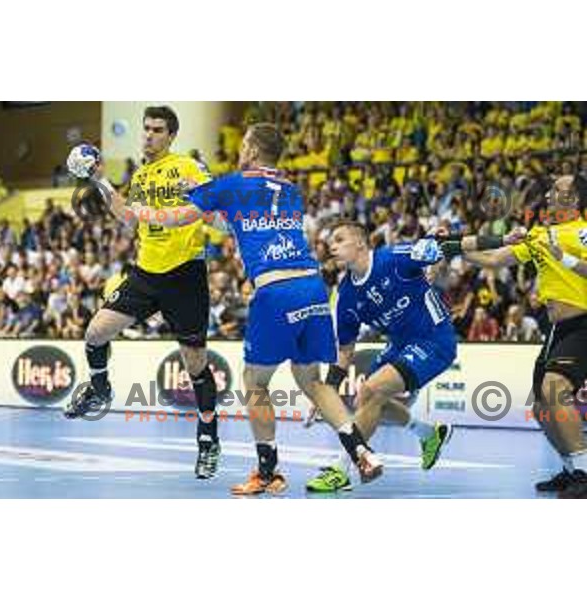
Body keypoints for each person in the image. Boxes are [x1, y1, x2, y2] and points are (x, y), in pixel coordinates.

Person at [132, 122, 383, 495]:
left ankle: (268, 472)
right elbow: (231, 220)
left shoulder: (232, 183)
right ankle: (361, 449)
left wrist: (140, 211)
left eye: (243, 145)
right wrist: (203, 197)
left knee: (254, 382)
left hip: (275, 290)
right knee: (311, 381)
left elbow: (180, 217)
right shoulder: (290, 190)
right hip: (312, 288)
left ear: (249, 150)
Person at [305, 221, 526, 492]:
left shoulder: (394, 257)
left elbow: (449, 245)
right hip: (399, 344)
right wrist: (327, 391)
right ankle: (429, 433)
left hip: (435, 339)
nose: (332, 246)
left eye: (339, 239)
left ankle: (343, 468)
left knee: (373, 389)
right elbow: (346, 350)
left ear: (360, 242)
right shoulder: (348, 296)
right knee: (366, 397)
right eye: (331, 243)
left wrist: (503, 237)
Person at [64, 106, 222, 480]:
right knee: (95, 331)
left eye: (156, 130)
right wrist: (100, 181)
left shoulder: (188, 166)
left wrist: (201, 201)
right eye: (146, 128)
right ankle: (99, 389)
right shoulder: (140, 175)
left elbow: (211, 206)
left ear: (170, 136)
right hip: (145, 272)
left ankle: (208, 440)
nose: (148, 135)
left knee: (195, 363)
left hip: (185, 274)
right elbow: (129, 218)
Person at [463, 174, 587, 498]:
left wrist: (565, 257)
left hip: (583, 322)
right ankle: (572, 469)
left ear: (574, 200)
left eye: (557, 190)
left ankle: (585, 473)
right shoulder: (538, 234)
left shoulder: (582, 231)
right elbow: (492, 259)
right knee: (543, 403)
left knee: (554, 389)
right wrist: (450, 248)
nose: (547, 195)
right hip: (555, 329)